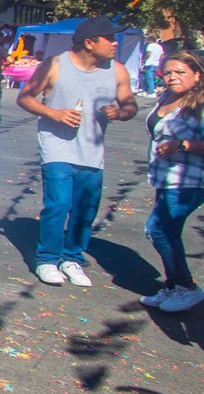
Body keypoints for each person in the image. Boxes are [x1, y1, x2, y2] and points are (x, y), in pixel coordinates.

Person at [18, 16, 137, 287]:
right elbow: (24, 97)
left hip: (92, 151)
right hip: (57, 147)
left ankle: (72, 258)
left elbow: (130, 104)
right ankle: (47, 259)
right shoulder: (56, 65)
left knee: (85, 209)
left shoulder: (117, 70)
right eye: (109, 38)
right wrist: (53, 113)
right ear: (89, 43)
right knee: (58, 204)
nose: (115, 43)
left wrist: (120, 112)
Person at [139, 51, 204, 313]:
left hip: (191, 179)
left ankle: (187, 288)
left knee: (157, 229)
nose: (172, 77)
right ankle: (173, 287)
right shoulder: (168, 97)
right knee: (169, 231)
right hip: (166, 177)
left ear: (197, 74)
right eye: (168, 72)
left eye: (180, 72)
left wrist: (182, 145)